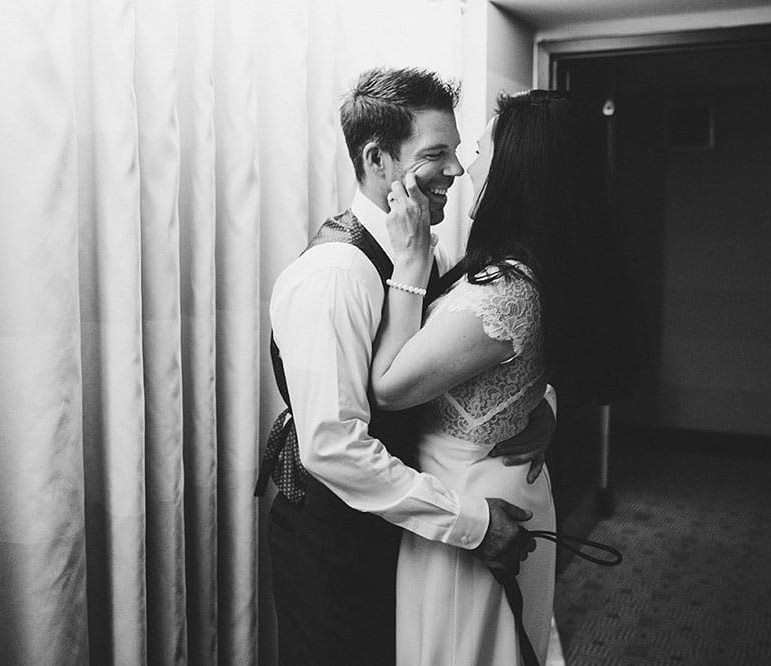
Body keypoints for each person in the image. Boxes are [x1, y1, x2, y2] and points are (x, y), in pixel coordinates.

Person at [259, 68, 556, 666]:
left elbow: (473, 362)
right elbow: (333, 447)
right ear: (378, 159)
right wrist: (473, 524)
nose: (455, 169)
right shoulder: (335, 276)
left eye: (456, 150)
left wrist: (538, 406)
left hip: (400, 527)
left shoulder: (430, 249)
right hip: (334, 538)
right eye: (435, 154)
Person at [370, 89, 628, 665]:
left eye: (479, 148)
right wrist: (539, 404)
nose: (463, 166)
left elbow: (387, 387)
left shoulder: (508, 288)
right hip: (495, 482)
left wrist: (410, 264)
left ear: (516, 167)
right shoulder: (529, 262)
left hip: (477, 504)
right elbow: (533, 361)